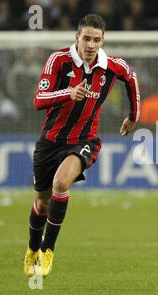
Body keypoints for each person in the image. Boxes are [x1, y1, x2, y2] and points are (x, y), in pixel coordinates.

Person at [23, 14, 140, 278]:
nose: (91, 44)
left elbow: (132, 80)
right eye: (86, 38)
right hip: (51, 141)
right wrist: (69, 92)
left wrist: (134, 116)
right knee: (42, 202)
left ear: (102, 41)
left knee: (61, 184)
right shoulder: (59, 60)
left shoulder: (111, 65)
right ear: (77, 37)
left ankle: (48, 250)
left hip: (84, 140)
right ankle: (32, 248)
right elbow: (39, 100)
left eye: (96, 40)